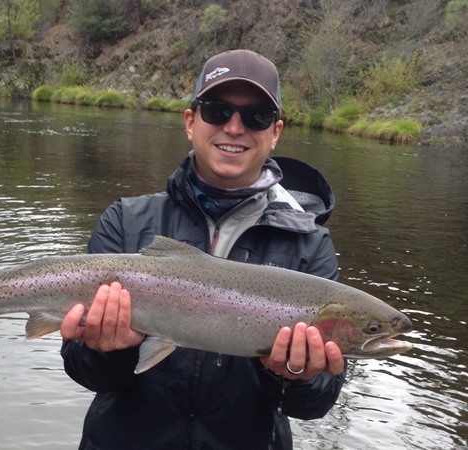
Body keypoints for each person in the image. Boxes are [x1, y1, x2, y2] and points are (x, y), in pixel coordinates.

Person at [60, 49, 346, 450]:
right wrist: (109, 352)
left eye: (256, 117)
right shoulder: (125, 220)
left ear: (275, 132)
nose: (234, 127)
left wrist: (291, 375)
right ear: (191, 122)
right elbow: (84, 371)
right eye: (216, 110)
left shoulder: (310, 244)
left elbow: (314, 403)